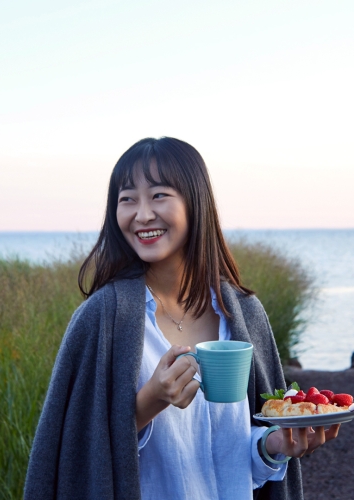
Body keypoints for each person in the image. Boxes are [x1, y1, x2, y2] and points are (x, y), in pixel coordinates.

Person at [24, 137, 339, 500]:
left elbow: (235, 459)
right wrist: (151, 400)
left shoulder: (244, 313)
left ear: (195, 203)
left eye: (158, 195)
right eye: (127, 199)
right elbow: (76, 455)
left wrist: (275, 443)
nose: (141, 214)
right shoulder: (101, 319)